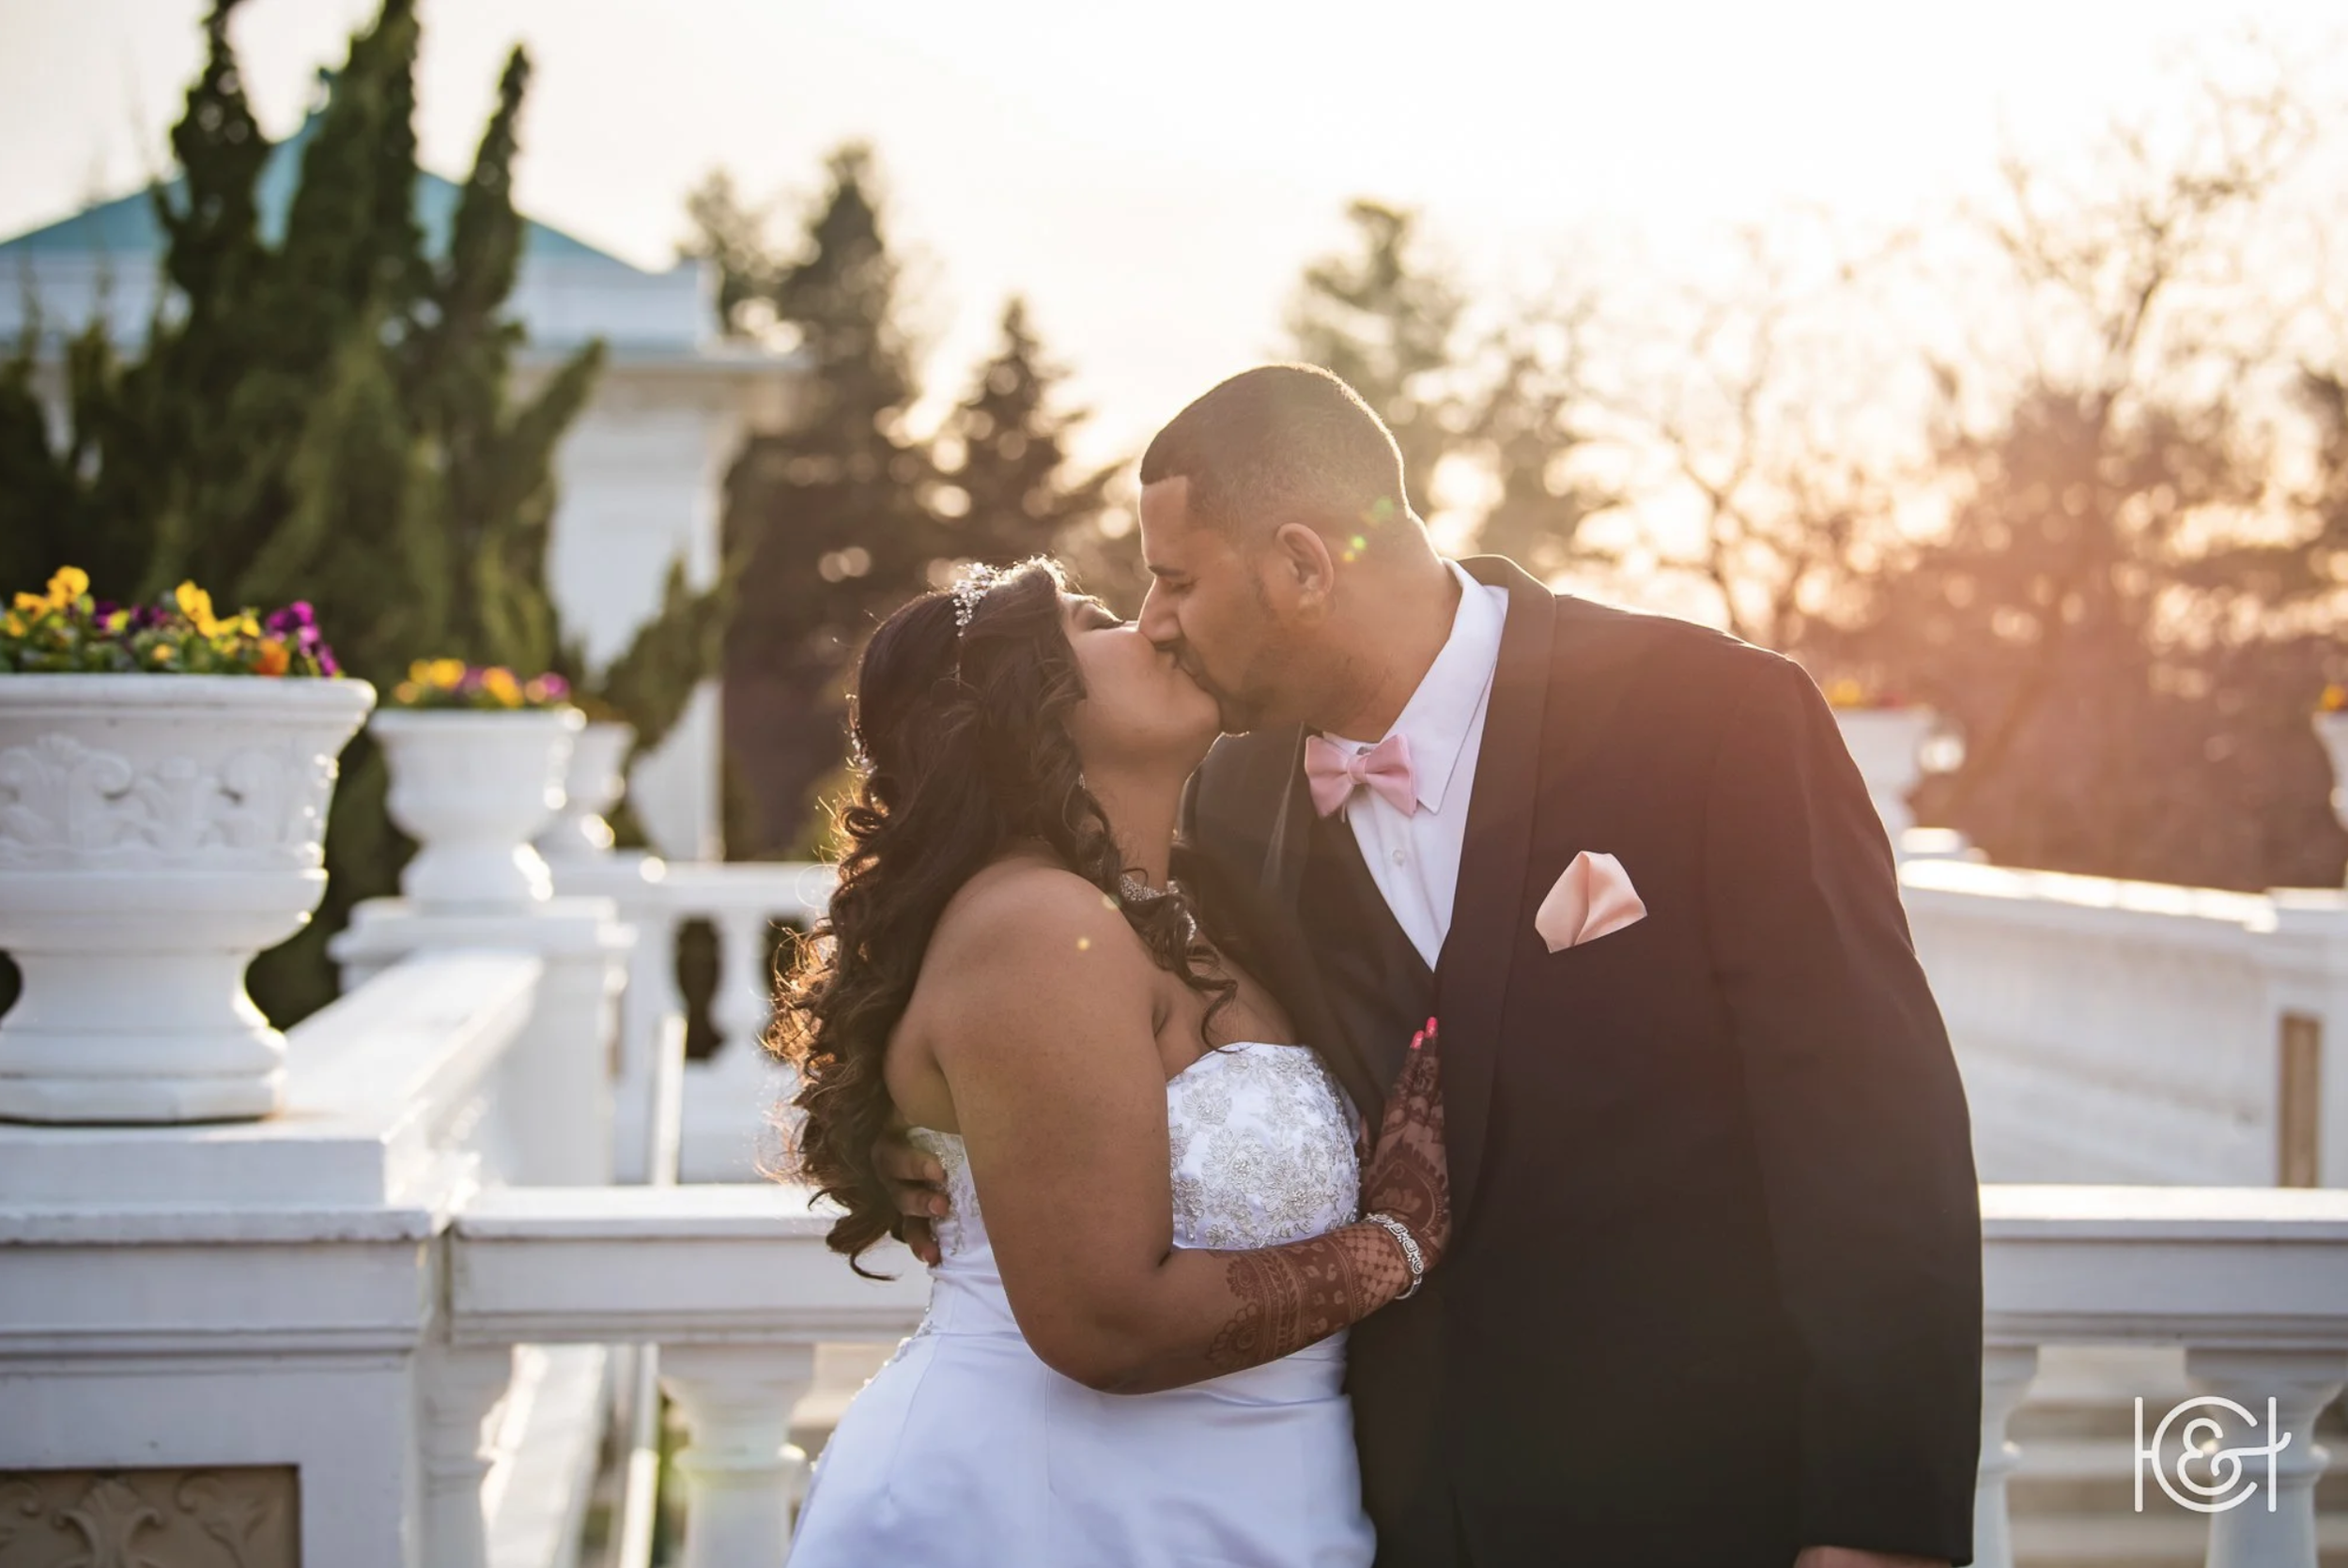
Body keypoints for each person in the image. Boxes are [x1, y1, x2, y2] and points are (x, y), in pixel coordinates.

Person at [883, 365, 1985, 1568]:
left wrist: (1879, 1525)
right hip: (1385, 1515)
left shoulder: (1716, 719)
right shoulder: (1226, 803)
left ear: (1304, 566)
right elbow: (1006, 977)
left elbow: (1876, 1135)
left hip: (1702, 1500)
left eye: (1177, 579)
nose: (1152, 619)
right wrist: (911, 1136)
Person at [775, 558, 1449, 1568]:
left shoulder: (1204, 907)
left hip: (1258, 1497)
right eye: (1094, 621)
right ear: (1015, 705)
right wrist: (1394, 1244)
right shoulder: (1038, 925)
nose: (1158, 626)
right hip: (1043, 1508)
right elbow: (1105, 1323)